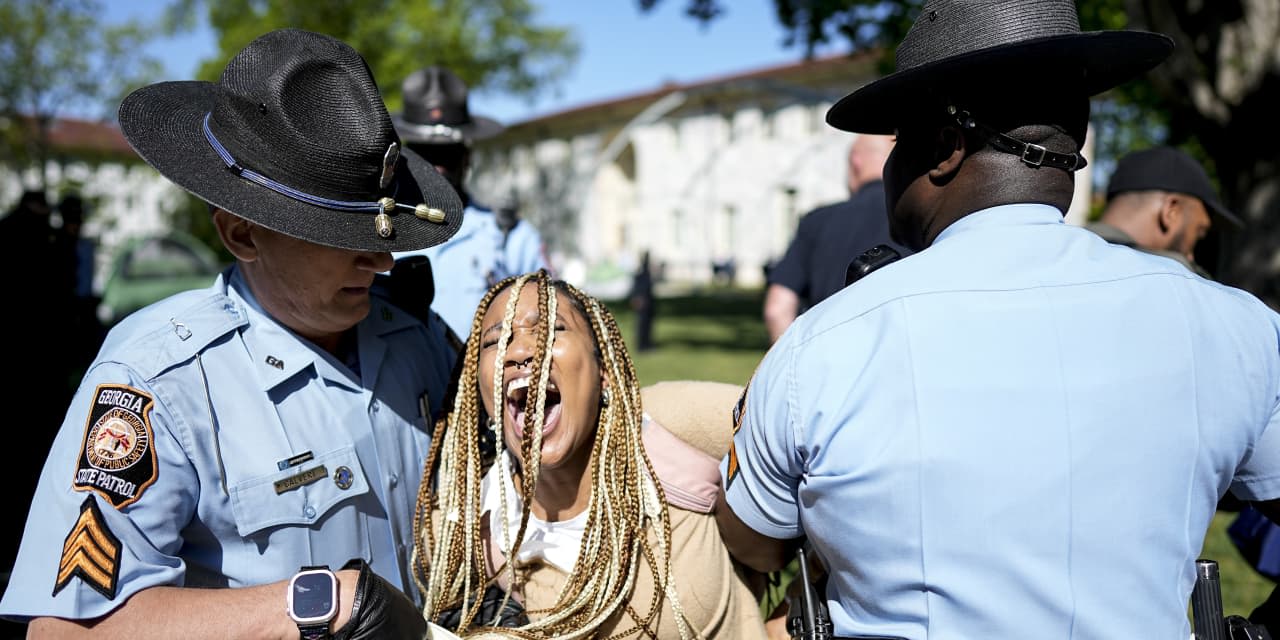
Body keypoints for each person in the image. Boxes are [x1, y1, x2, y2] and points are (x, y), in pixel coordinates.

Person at [714, 2, 1280, 637]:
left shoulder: (823, 346)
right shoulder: (1238, 328)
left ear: (944, 148)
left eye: (899, 141)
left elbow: (751, 540)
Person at [0, 29, 465, 638]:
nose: (380, 264)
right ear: (243, 235)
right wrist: (317, 603)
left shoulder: (417, 337)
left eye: (381, 238)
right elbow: (65, 629)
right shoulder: (156, 381)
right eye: (342, 237)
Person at [415, 270, 768, 639]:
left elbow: (811, 426)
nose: (517, 351)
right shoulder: (467, 526)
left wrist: (792, 612)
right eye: (494, 341)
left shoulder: (666, 425)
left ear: (604, 372)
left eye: (551, 329)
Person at [391, 66, 549, 340]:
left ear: (467, 157)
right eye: (426, 153)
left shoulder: (510, 235)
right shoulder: (380, 227)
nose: (437, 167)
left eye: (447, 153)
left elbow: (548, 316)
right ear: (407, 156)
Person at [763, 134, 911, 343]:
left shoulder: (816, 221)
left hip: (828, 356)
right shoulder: (915, 217)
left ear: (855, 161)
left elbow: (777, 309)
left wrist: (792, 362)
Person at [1087, 145, 1242, 278]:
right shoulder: (1178, 279)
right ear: (1171, 211)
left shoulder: (1067, 251)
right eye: (1198, 233)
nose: (1191, 256)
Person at [629, 250, 656, 352]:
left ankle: (646, 343)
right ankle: (642, 345)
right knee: (641, 325)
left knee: (647, 325)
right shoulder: (642, 274)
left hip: (648, 303)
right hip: (643, 303)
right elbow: (638, 289)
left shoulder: (646, 273)